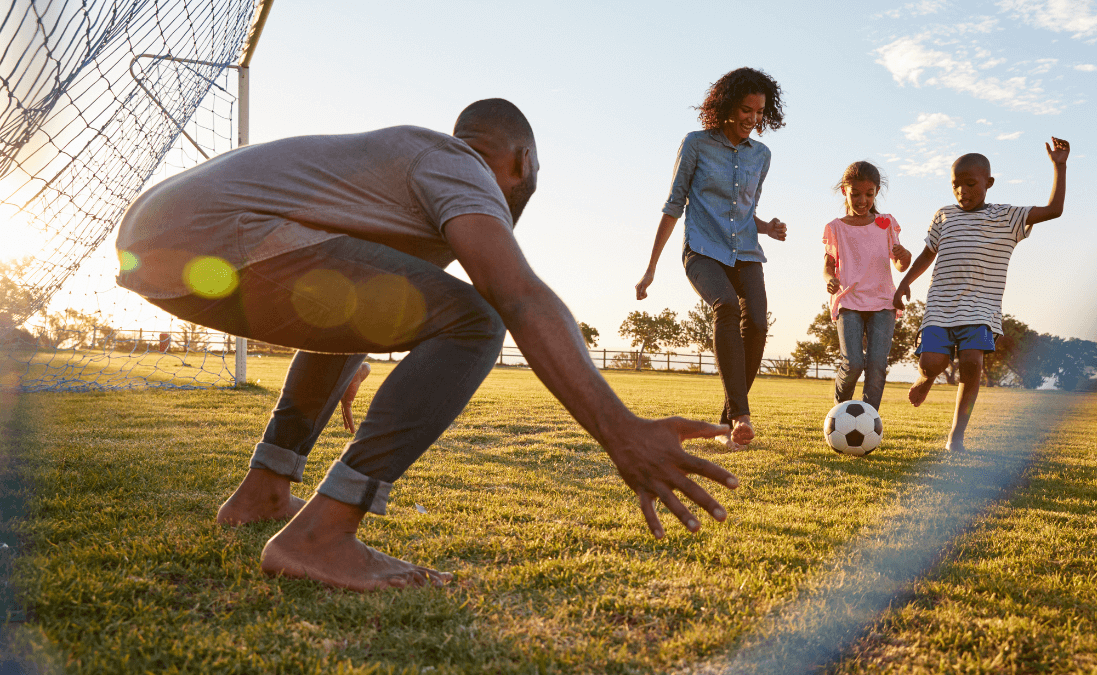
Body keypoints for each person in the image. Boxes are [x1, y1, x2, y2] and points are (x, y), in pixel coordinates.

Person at [114, 99, 740, 592]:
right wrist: (620, 431)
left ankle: (263, 493)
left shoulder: (408, 179)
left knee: (415, 312)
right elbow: (516, 294)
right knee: (475, 320)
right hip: (216, 233)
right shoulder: (455, 162)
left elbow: (343, 291)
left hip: (160, 240)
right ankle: (321, 538)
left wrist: (349, 345)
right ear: (521, 161)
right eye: (534, 172)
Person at [634, 67, 787, 452]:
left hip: (747, 252)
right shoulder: (696, 144)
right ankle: (742, 416)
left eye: (759, 112)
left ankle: (727, 422)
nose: (753, 119)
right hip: (702, 250)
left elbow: (744, 210)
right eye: (746, 110)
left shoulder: (762, 156)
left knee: (756, 321)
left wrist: (767, 226)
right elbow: (674, 205)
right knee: (726, 307)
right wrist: (651, 267)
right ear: (726, 107)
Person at [893, 138, 1070, 451]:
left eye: (970, 184)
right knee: (931, 363)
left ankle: (956, 436)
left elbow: (1054, 210)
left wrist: (1059, 166)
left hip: (980, 309)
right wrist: (905, 282)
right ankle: (926, 379)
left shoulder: (1007, 217)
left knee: (972, 364)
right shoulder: (944, 215)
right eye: (955, 185)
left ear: (988, 183)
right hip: (941, 307)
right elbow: (926, 253)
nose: (962, 191)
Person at [822, 161, 911, 413]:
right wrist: (830, 279)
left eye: (869, 194)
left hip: (883, 302)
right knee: (853, 364)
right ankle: (840, 414)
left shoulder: (885, 223)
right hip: (849, 302)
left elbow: (900, 265)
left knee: (876, 365)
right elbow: (828, 265)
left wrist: (905, 255)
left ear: (876, 191)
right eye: (855, 194)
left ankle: (869, 417)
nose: (862, 200)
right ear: (844, 191)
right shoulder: (836, 228)